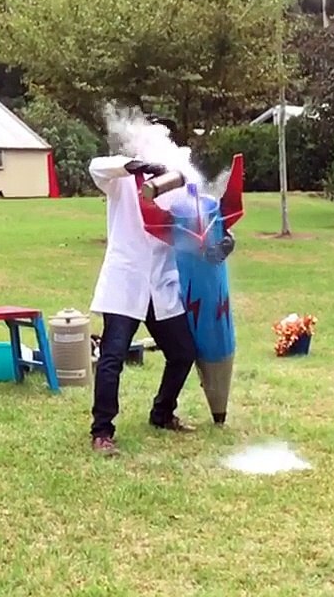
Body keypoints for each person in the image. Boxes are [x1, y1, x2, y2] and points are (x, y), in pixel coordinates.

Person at [86, 118, 235, 456]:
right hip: (126, 281)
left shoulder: (183, 191)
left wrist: (221, 246)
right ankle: (102, 431)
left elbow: (199, 238)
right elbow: (97, 167)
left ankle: (162, 413)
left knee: (182, 352)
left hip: (162, 285)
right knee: (113, 357)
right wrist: (135, 166)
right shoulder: (122, 181)